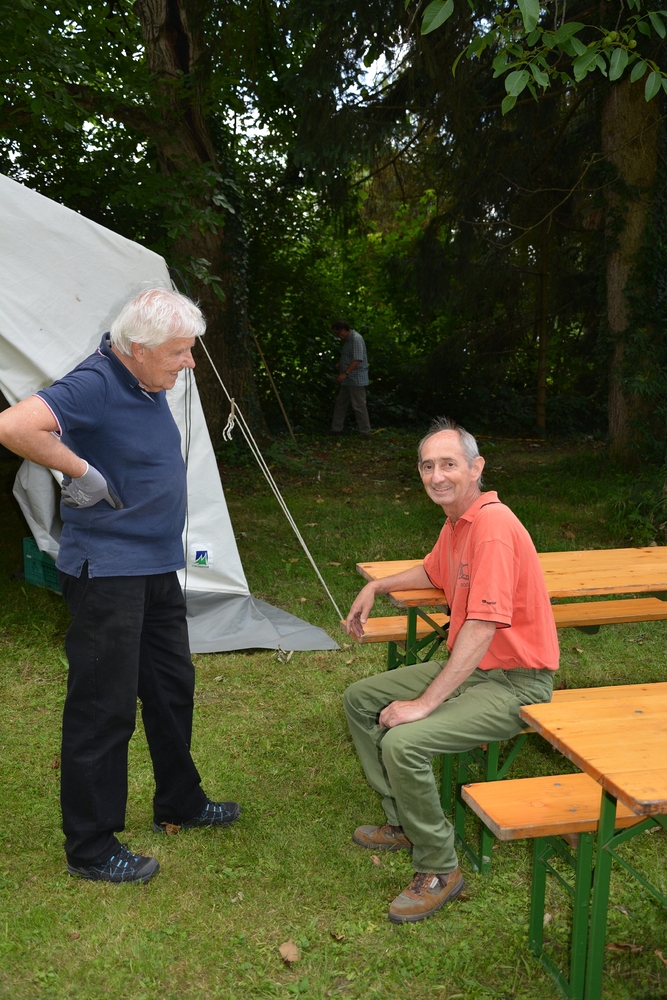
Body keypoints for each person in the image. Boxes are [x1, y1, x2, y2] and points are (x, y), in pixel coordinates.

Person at [0, 288, 241, 884]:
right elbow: (14, 424)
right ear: (138, 347)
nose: (189, 362)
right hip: (108, 573)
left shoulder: (146, 380)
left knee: (170, 688)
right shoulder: (98, 380)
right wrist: (78, 470)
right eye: (179, 352)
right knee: (102, 708)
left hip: (155, 566)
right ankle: (90, 846)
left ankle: (180, 801)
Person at [342, 417, 559, 924]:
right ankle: (405, 821)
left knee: (404, 741)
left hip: (516, 680)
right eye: (427, 466)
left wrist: (425, 703)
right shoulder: (459, 522)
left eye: (448, 464)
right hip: (479, 668)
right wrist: (376, 586)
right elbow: (432, 569)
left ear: (476, 467)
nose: (437, 476)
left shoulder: (493, 527)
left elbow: (482, 625)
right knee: (360, 699)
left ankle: (440, 867)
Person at [330, 321, 371, 437]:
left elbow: (357, 359)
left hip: (356, 379)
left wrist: (345, 373)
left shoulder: (356, 339)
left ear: (344, 329)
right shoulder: (348, 340)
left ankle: (365, 432)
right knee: (341, 403)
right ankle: (336, 429)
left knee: (359, 405)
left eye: (338, 333)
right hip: (348, 380)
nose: (338, 336)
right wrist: (341, 364)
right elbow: (351, 357)